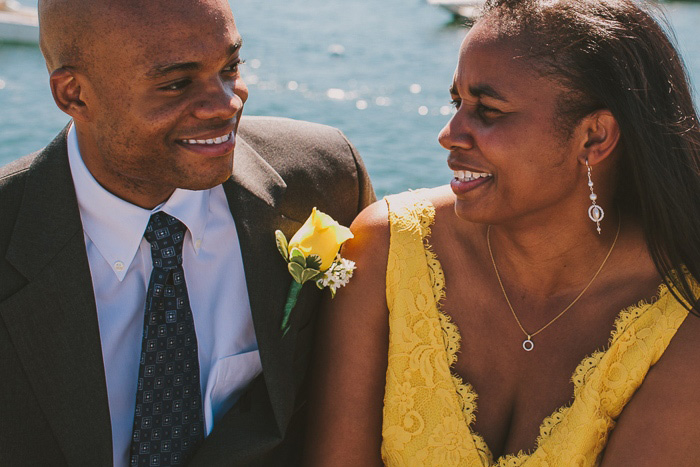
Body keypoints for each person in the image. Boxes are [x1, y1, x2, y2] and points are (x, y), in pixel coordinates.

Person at [306, 0, 700, 465]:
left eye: (488, 111)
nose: (449, 133)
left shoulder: (679, 318)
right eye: (457, 102)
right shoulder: (389, 249)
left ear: (594, 137)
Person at [0, 0, 374, 465]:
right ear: (73, 94)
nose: (227, 104)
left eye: (230, 66)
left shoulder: (326, 176)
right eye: (176, 84)